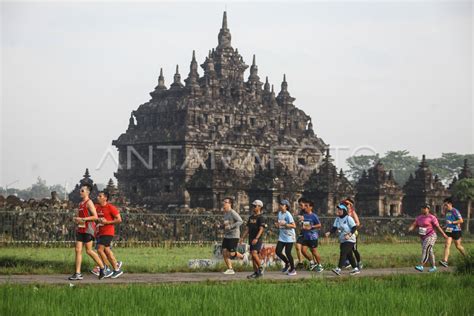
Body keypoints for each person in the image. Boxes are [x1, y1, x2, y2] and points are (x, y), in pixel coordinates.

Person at [69, 184, 110, 280]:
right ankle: (77, 273)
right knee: (78, 250)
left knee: (89, 251)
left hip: (88, 229)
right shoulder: (80, 203)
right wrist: (77, 220)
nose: (80, 192)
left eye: (82, 191)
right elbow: (82, 217)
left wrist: (83, 219)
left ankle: (103, 268)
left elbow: (95, 217)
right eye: (80, 190)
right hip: (81, 228)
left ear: (88, 192)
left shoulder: (89, 202)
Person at [408, 204, 448, 272]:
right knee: (430, 251)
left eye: (424, 208)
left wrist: (444, 234)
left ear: (428, 209)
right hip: (423, 237)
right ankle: (433, 267)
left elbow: (438, 227)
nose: (422, 209)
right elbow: (414, 224)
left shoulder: (432, 217)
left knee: (425, 249)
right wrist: (410, 228)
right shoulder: (419, 217)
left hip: (431, 236)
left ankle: (421, 265)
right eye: (422, 208)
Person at [325, 203, 360, 276]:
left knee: (343, 252)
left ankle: (338, 269)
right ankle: (355, 269)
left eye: (340, 209)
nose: (338, 211)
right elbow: (334, 228)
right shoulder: (337, 219)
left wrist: (349, 235)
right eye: (338, 209)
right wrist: (329, 232)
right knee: (349, 254)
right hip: (342, 239)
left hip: (350, 239)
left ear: (344, 210)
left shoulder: (348, 218)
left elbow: (354, 227)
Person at [95, 191, 124, 278]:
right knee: (107, 251)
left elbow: (119, 219)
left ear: (105, 198)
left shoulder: (111, 207)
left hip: (108, 232)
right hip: (101, 232)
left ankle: (106, 269)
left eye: (100, 196)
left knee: (99, 250)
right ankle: (116, 269)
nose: (98, 197)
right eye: (98, 196)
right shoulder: (97, 207)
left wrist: (107, 222)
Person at [241, 200, 267, 279]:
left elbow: (261, 229)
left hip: (257, 239)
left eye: (255, 206)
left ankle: (261, 267)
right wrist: (242, 238)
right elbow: (247, 229)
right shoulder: (251, 217)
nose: (253, 207)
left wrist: (256, 238)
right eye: (253, 206)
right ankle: (256, 273)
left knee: (254, 253)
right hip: (251, 238)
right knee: (253, 256)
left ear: (259, 207)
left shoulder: (261, 218)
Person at [439, 198, 467, 267]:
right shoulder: (447, 212)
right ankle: (445, 261)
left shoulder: (455, 211)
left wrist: (452, 222)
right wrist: (444, 226)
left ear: (450, 204)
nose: (445, 206)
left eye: (446, 205)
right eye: (444, 205)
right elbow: (448, 222)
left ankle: (468, 257)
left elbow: (461, 221)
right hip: (449, 230)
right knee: (447, 245)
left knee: (458, 246)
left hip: (456, 230)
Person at [221, 197, 245, 275]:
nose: (224, 203)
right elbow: (226, 224)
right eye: (224, 202)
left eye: (226, 202)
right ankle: (230, 269)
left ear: (230, 204)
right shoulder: (225, 213)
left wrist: (231, 227)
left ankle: (243, 257)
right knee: (224, 251)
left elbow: (240, 221)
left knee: (231, 253)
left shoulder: (232, 212)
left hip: (234, 235)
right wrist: (220, 226)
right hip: (227, 235)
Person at [275, 199, 297, 276]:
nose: (280, 206)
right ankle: (287, 263)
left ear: (286, 206)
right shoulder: (279, 213)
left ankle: (293, 269)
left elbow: (294, 226)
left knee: (288, 252)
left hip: (289, 236)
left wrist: (286, 225)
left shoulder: (288, 214)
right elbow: (279, 223)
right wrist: (277, 225)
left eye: (282, 205)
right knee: (277, 251)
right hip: (282, 236)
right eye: (280, 204)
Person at [300, 200, 323, 272]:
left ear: (311, 207)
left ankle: (320, 265)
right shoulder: (304, 215)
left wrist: (311, 227)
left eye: (307, 206)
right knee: (303, 251)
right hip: (306, 236)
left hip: (313, 237)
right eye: (305, 205)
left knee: (314, 252)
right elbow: (303, 224)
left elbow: (319, 225)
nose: (305, 207)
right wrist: (301, 222)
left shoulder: (314, 216)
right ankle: (312, 262)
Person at [343, 198, 362, 269]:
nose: (346, 205)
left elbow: (358, 223)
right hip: (345, 234)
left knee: (354, 249)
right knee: (345, 248)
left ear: (351, 205)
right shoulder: (343, 213)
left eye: (347, 204)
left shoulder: (353, 213)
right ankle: (348, 262)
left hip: (353, 233)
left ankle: (359, 262)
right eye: (345, 203)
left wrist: (351, 225)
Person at [294, 197, 308, 269]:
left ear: (305, 204)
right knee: (297, 246)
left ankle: (313, 263)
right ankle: (301, 263)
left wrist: (304, 219)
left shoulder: (309, 211)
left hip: (309, 233)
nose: (300, 206)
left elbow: (309, 223)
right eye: (299, 205)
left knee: (305, 251)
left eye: (301, 204)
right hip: (302, 232)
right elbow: (300, 222)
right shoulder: (301, 212)